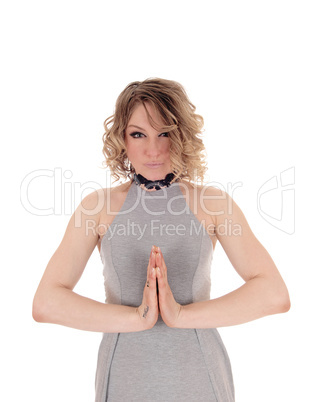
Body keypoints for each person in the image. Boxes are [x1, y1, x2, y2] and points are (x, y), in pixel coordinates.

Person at [32, 78, 291, 401]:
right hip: (124, 376)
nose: (153, 150)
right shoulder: (96, 207)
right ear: (122, 139)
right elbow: (45, 303)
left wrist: (180, 315)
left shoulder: (213, 203)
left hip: (199, 376)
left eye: (164, 133)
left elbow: (274, 294)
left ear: (181, 135)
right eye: (138, 134)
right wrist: (137, 317)